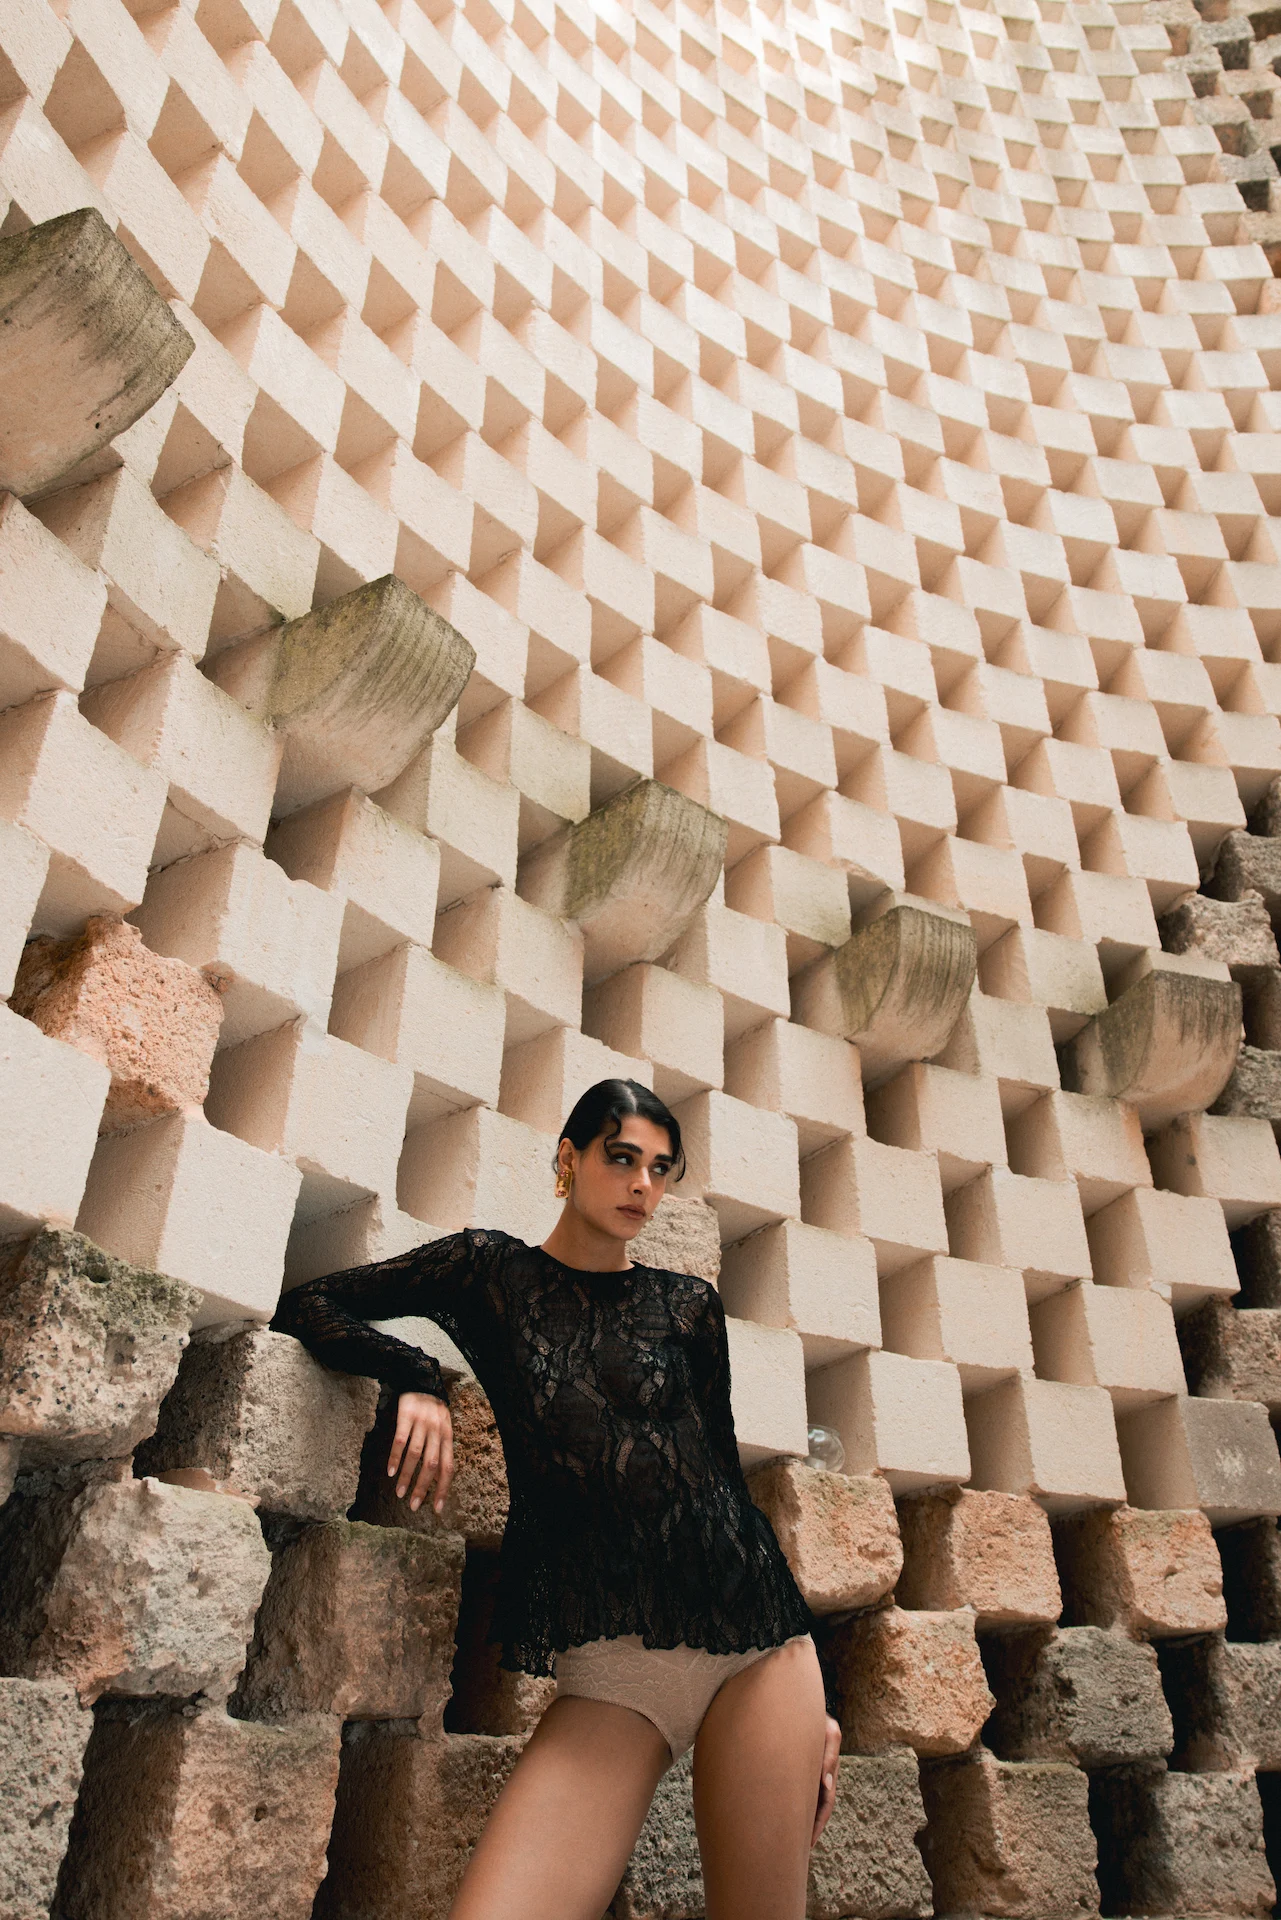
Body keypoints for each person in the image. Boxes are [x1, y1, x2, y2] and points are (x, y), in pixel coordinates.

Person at [271, 1077, 843, 1920]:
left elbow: (723, 1485)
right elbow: (313, 1301)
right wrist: (414, 1375)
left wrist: (816, 1711)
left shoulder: (688, 1307)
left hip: (758, 1650)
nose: (642, 1185)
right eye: (621, 1159)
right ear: (568, 1161)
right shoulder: (490, 1271)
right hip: (614, 1677)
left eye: (659, 1168)